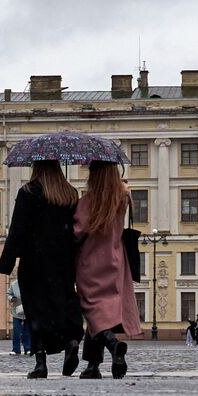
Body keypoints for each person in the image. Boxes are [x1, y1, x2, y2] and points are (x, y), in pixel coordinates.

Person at [0, 159, 82, 379]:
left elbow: (17, 228)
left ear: (35, 167)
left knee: (36, 312)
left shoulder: (28, 192)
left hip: (34, 262)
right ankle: (72, 342)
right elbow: (77, 230)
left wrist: (7, 262)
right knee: (63, 303)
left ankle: (41, 363)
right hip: (63, 262)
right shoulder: (71, 194)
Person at [73, 159, 143, 379]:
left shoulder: (89, 201)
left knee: (93, 310)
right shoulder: (122, 197)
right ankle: (93, 365)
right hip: (116, 259)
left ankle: (114, 346)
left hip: (91, 262)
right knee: (105, 310)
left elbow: (77, 231)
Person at [6, 279, 32, 356]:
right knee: (17, 331)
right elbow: (8, 294)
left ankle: (28, 349)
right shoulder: (14, 284)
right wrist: (11, 298)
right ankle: (16, 349)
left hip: (28, 310)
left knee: (27, 332)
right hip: (17, 311)